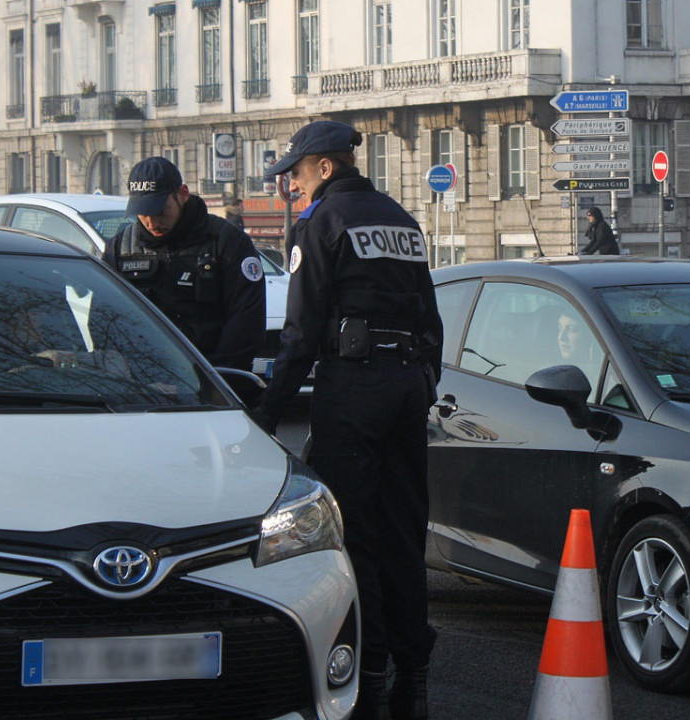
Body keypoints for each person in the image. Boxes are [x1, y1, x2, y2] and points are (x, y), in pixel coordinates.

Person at [251, 120, 443, 720]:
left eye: (298, 175)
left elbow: (301, 332)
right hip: (407, 386)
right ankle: (414, 678)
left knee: (354, 535)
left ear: (325, 168)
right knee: (405, 534)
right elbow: (431, 322)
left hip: (354, 390)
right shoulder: (400, 219)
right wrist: (422, 382)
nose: (294, 188)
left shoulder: (321, 223)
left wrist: (265, 413)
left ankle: (371, 675)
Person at [103, 157, 265, 371]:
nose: (152, 223)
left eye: (160, 211)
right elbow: (103, 319)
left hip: (213, 378)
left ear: (183, 194)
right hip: (139, 380)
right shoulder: (121, 249)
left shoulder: (227, 242)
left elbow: (246, 323)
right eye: (143, 214)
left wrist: (212, 382)